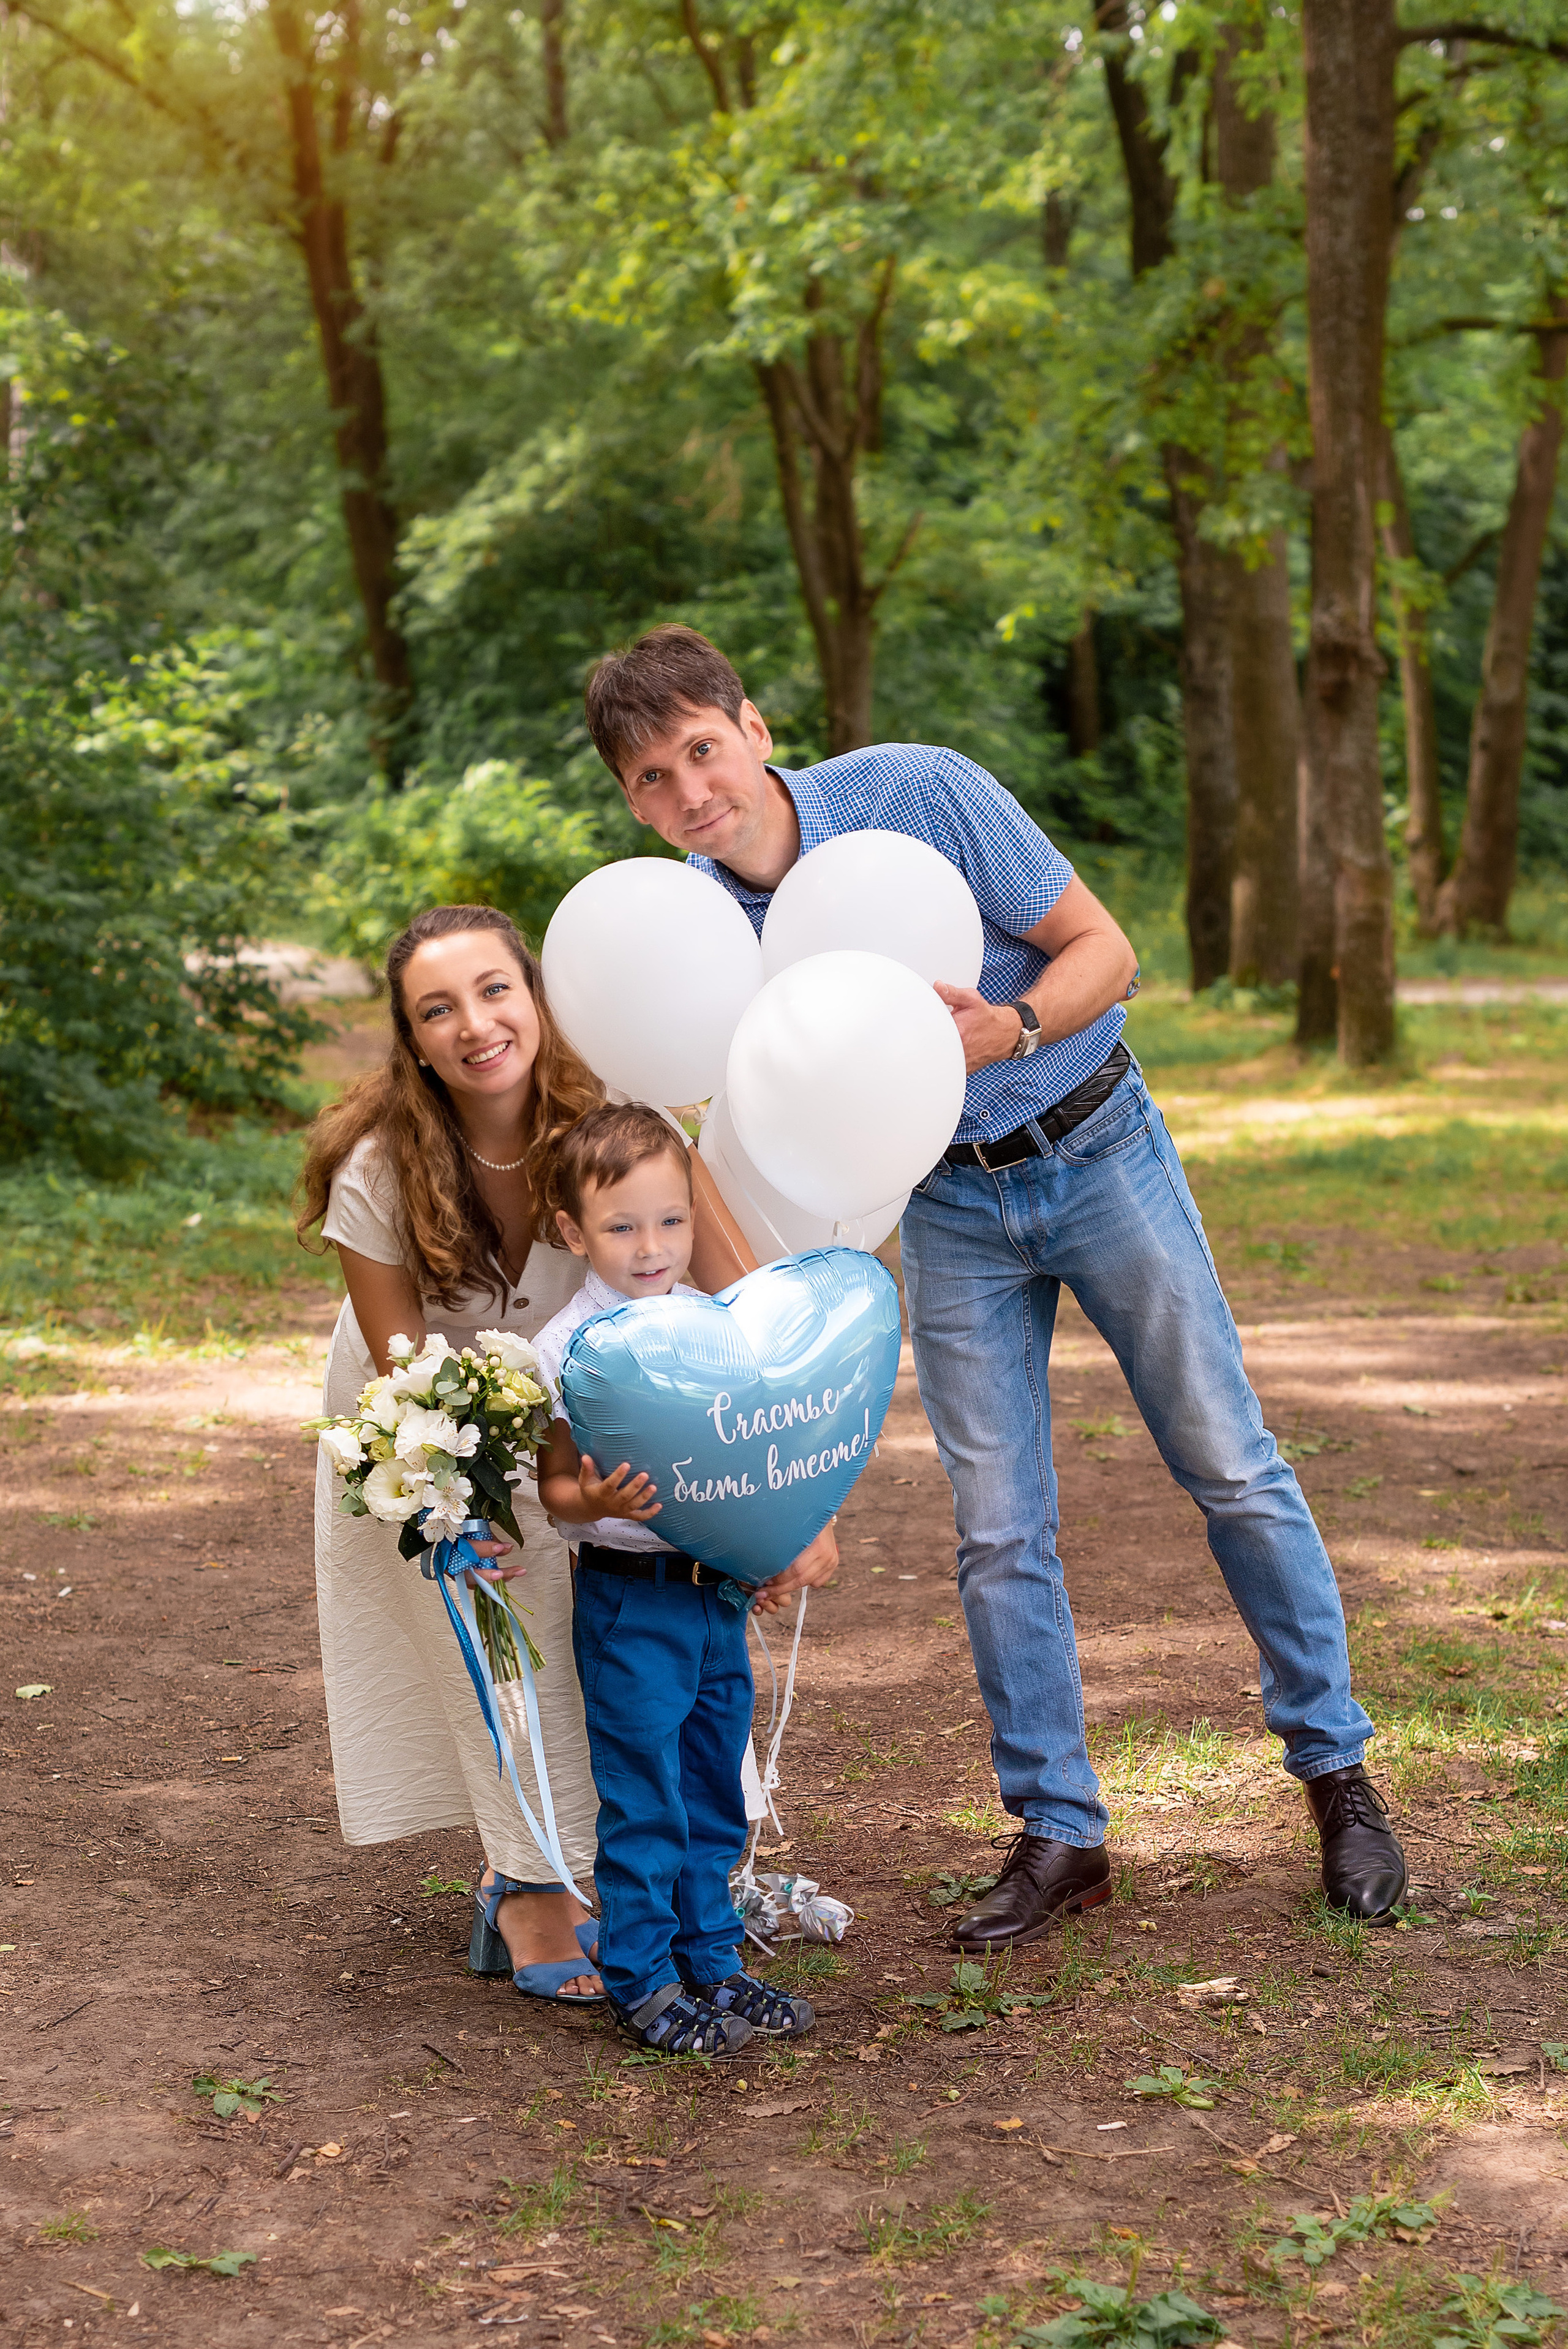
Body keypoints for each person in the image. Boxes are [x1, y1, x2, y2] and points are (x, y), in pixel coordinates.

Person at [577, 623, 1410, 1945]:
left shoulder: (916, 793)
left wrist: (1008, 1026)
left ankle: (1337, 1773)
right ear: (632, 802)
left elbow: (1104, 950)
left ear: (754, 729)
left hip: (1093, 1142)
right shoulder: (689, 933)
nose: (691, 791)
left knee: (1229, 1463)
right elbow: (711, 1120)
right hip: (945, 1205)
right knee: (997, 1526)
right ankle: (1059, 1829)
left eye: (701, 748)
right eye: (651, 777)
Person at [298, 903, 607, 2002]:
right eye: (438, 1010)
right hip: (421, 1420)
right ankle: (530, 1883)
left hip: (567, 1401)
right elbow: (402, 1380)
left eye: (494, 990)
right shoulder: (379, 1168)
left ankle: (614, 1855)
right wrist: (457, 1507)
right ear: (414, 1041)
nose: (475, 1024)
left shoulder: (606, 1125)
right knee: (496, 1617)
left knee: (612, 1620)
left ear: (537, 996)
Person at [532, 1102, 820, 2058]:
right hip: (630, 1600)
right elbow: (556, 1490)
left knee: (712, 1787)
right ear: (575, 1231)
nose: (651, 1247)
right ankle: (642, 1976)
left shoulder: (713, 1324)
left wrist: (762, 1551)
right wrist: (593, 1496)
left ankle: (712, 1959)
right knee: (646, 1794)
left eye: (670, 1221)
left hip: (713, 1596)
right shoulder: (568, 1345)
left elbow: (742, 1466)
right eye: (622, 1226)